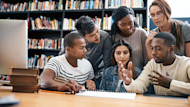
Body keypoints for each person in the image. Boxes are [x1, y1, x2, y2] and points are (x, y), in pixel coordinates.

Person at [123, 32, 190, 97]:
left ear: (171, 49)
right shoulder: (152, 64)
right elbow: (141, 84)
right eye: (152, 48)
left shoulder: (186, 63)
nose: (153, 52)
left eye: (158, 49)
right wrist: (129, 82)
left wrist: (171, 84)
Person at [74, 15, 113, 88]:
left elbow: (107, 64)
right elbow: (64, 60)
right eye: (92, 35)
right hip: (77, 73)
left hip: (97, 74)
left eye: (97, 31)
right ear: (83, 37)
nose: (97, 36)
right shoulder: (73, 39)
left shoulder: (105, 37)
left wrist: (94, 79)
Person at [111, 6, 148, 70]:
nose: (128, 27)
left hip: (140, 74)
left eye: (130, 23)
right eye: (123, 24)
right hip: (121, 73)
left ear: (134, 19)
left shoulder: (141, 33)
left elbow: (146, 59)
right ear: (117, 24)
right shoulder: (114, 37)